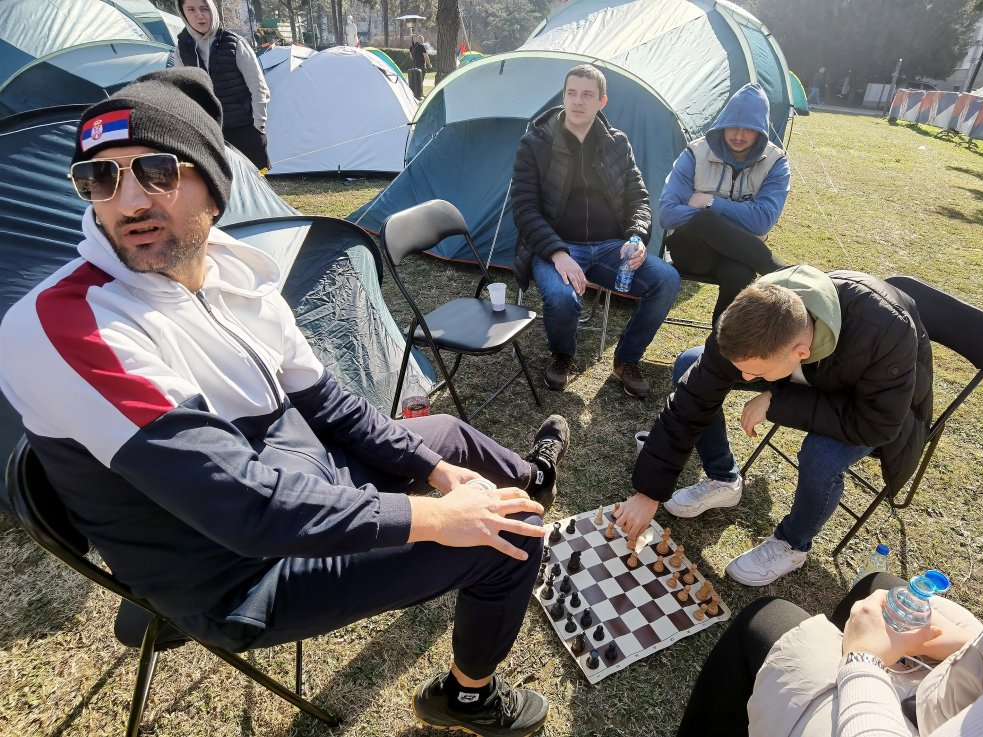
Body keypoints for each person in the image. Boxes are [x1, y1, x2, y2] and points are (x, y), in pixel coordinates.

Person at [0, 68, 569, 737]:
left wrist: (438, 474)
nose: (127, 201)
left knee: (448, 436)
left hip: (305, 481)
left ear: (214, 187)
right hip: (240, 573)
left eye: (156, 171)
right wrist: (437, 517)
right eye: (100, 178)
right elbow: (247, 509)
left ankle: (532, 481)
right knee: (510, 540)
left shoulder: (234, 274)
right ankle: (468, 698)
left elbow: (329, 404)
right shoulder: (65, 326)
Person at [615, 265, 932, 586]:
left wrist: (777, 401)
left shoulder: (887, 331)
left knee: (820, 455)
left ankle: (793, 543)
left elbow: (876, 424)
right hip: (809, 372)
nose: (745, 379)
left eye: (755, 373)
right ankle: (723, 479)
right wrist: (648, 492)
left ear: (801, 353)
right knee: (690, 364)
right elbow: (692, 400)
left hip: (866, 403)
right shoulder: (752, 310)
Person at [676, 554, 983, 736]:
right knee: (880, 585)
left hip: (900, 722)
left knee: (764, 618)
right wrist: (964, 645)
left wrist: (863, 659)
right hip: (961, 687)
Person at [511, 64, 680, 398]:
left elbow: (638, 198)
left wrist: (636, 235)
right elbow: (524, 208)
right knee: (561, 298)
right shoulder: (536, 143)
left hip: (609, 247)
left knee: (667, 279)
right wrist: (558, 253)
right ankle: (563, 355)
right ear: (563, 97)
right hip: (555, 247)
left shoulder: (617, 142)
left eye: (587, 95)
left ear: (602, 101)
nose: (578, 101)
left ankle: (626, 359)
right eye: (571, 93)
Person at [660, 82, 790, 323]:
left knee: (740, 276)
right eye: (733, 126)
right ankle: (780, 273)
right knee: (704, 221)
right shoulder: (695, 153)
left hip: (738, 256)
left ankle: (718, 343)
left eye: (748, 129)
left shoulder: (775, 162)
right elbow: (667, 214)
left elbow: (763, 221)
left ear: (761, 131)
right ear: (723, 123)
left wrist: (710, 201)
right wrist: (722, 218)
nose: (739, 135)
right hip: (692, 252)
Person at [174, 0, 271, 171]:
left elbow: (258, 87)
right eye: (191, 9)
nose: (199, 15)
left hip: (245, 126)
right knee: (221, 181)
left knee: (257, 179)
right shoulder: (182, 50)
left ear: (212, 10)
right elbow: (184, 93)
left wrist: (259, 124)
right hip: (209, 131)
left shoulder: (235, 43)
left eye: (204, 9)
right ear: (183, 13)